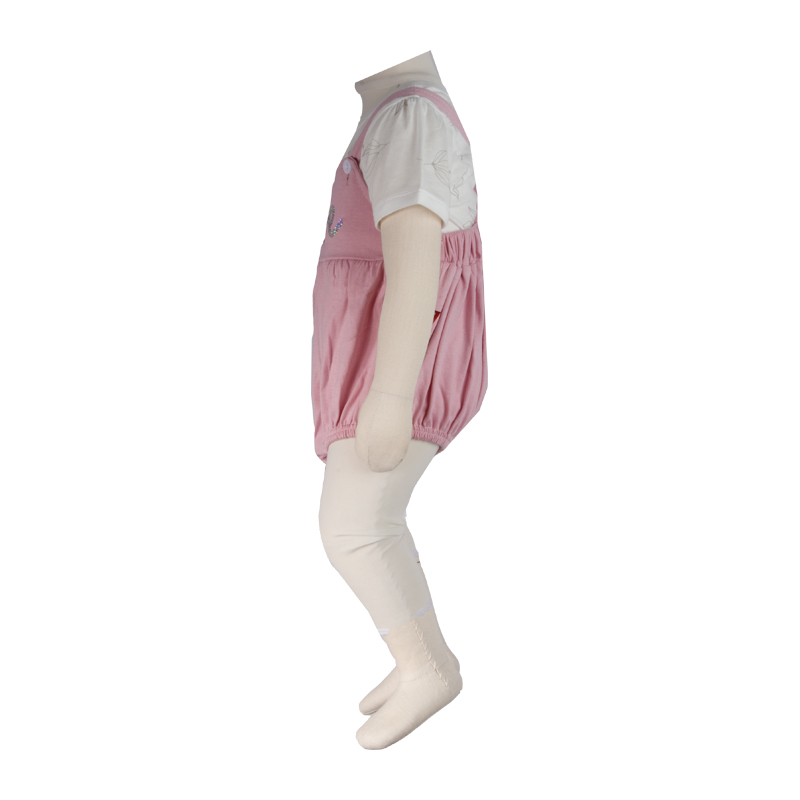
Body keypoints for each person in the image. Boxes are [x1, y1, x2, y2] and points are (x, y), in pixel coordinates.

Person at [312, 50, 488, 749]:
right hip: (385, 351)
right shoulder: (393, 113)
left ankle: (427, 669)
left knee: (354, 526)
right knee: (372, 519)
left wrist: (391, 395)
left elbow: (417, 257)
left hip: (404, 358)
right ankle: (421, 651)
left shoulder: (408, 117)